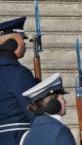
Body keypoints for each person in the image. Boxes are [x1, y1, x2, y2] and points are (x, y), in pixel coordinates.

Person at [0, 17, 37, 145]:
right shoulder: (20, 74)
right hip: (16, 139)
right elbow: (34, 114)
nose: (25, 43)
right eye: (22, 38)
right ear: (12, 43)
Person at [20, 73, 75, 145]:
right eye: (62, 98)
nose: (65, 101)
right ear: (54, 103)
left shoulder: (27, 135)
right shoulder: (60, 132)